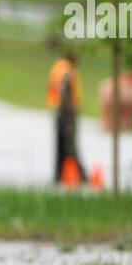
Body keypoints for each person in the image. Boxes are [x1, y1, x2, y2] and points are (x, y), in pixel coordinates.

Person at [47, 50, 85, 184]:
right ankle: (80, 175)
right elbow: (64, 89)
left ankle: (58, 175)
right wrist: (69, 106)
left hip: (57, 108)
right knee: (70, 144)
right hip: (66, 111)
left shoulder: (58, 66)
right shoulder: (67, 70)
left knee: (60, 143)